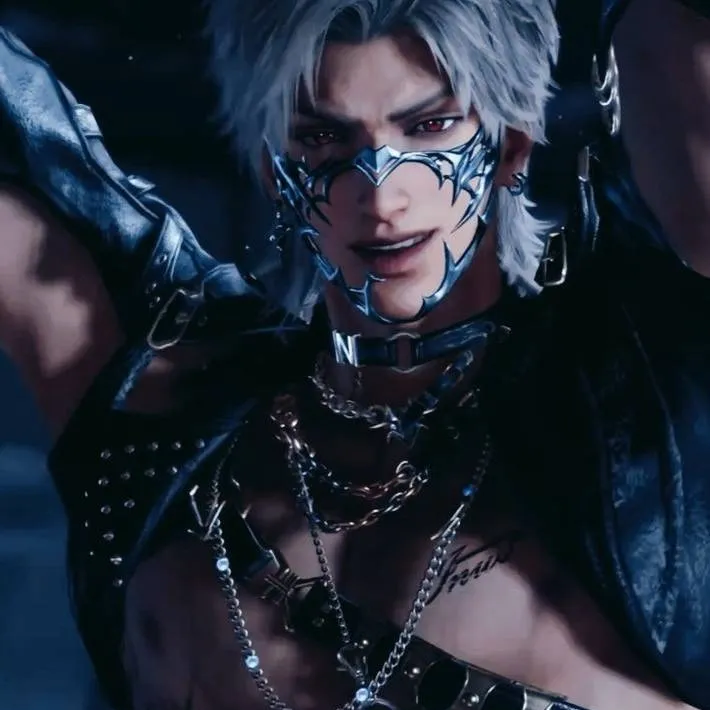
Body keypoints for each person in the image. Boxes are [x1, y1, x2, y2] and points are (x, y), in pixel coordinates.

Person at [0, 1, 709, 710]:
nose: (380, 192)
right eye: (324, 137)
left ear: (512, 143)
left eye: (429, 127)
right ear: (274, 169)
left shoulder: (645, 419)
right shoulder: (171, 413)